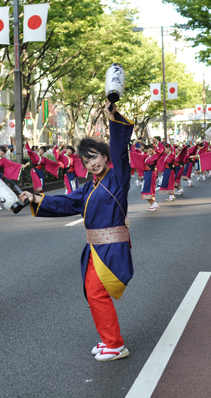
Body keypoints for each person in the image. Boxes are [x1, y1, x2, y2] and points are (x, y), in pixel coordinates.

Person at [19, 101, 133, 362]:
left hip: (112, 247)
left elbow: (119, 148)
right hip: (95, 248)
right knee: (92, 293)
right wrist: (36, 198)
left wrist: (113, 117)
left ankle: (115, 344)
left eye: (95, 157)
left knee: (97, 293)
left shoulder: (118, 179)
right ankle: (108, 339)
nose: (91, 163)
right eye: (86, 160)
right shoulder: (89, 187)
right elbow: (68, 202)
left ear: (105, 157)